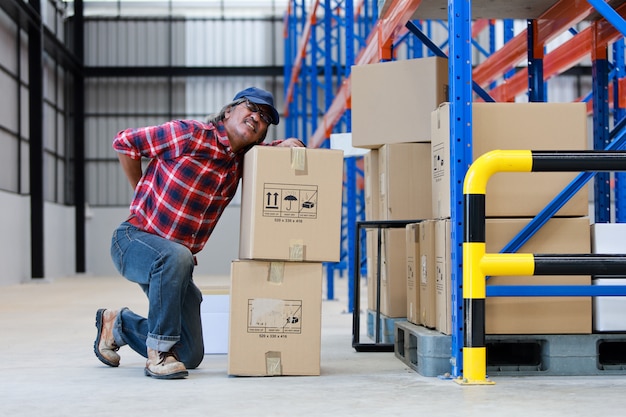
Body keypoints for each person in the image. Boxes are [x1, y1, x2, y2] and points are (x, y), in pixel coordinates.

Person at [94, 87, 305, 379]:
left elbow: (270, 154)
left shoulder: (239, 162)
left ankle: (118, 324)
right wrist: (141, 189)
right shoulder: (190, 134)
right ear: (229, 110)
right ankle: (158, 354)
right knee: (178, 256)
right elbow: (125, 142)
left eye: (264, 118)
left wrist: (287, 146)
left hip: (174, 262)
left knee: (190, 354)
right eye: (251, 109)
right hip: (133, 239)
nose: (257, 118)